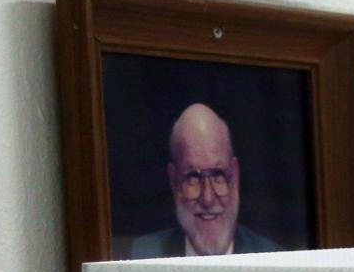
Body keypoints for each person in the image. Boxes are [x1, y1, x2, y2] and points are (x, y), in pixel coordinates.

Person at [117, 103, 283, 259]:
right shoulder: (143, 257)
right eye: (193, 177)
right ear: (174, 183)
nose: (208, 199)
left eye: (218, 175)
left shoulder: (272, 260)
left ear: (235, 177)